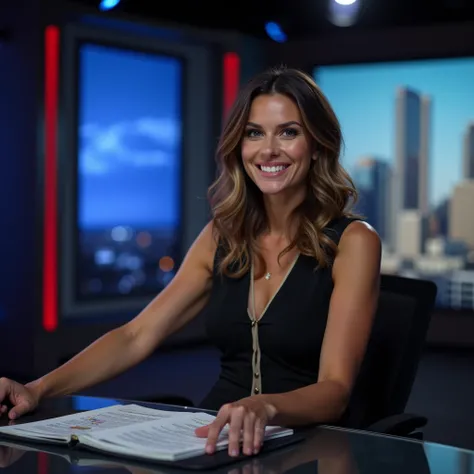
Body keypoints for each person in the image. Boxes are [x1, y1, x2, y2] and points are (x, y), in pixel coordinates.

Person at [0, 67, 381, 458]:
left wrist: (266, 406)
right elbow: (136, 336)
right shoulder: (223, 235)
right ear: (239, 145)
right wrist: (36, 389)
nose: (268, 150)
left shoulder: (355, 241)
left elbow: (335, 390)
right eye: (254, 133)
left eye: (288, 132)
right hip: (209, 438)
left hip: (307, 447)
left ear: (317, 144)